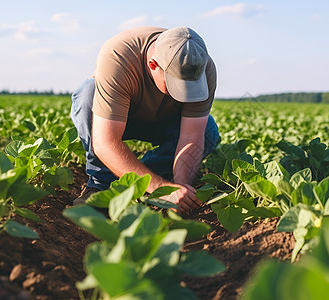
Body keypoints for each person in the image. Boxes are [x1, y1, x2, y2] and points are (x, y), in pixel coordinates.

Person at [70, 26, 219, 214]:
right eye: (177, 85)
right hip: (119, 116)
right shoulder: (119, 56)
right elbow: (105, 142)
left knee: (208, 131)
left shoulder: (203, 67)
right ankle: (101, 185)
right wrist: (158, 187)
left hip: (165, 120)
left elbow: (191, 135)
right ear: (153, 65)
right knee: (88, 95)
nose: (184, 96)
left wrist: (178, 188)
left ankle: (139, 185)